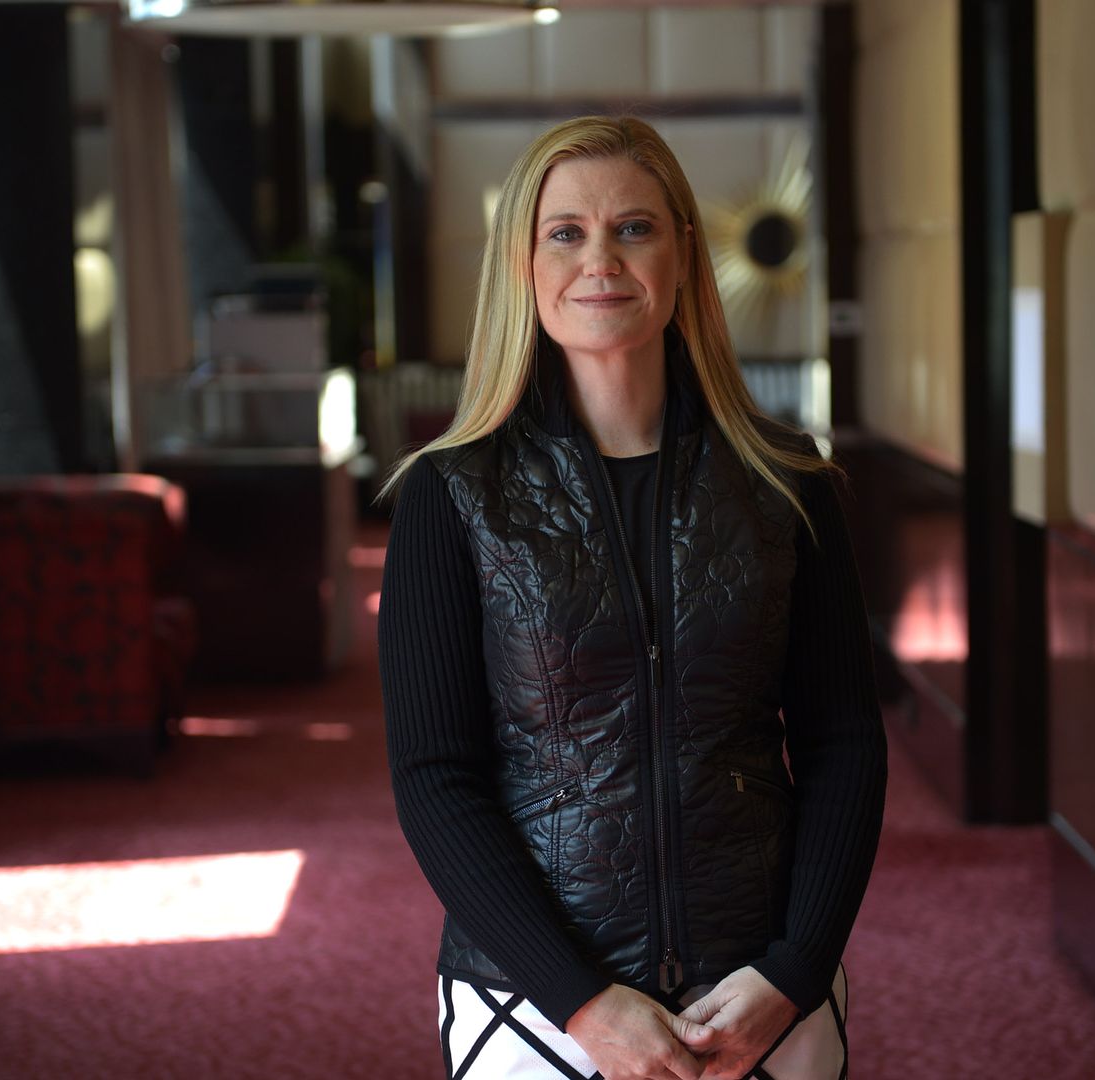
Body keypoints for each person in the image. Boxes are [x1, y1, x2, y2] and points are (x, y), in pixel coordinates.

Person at [378, 115, 887, 1080]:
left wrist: (794, 969)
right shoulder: (450, 494)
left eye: (634, 228)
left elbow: (844, 743)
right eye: (565, 232)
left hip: (759, 991)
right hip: (534, 1002)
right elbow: (436, 776)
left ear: (684, 254)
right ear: (522, 264)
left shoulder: (786, 481)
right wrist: (579, 998)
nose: (600, 260)